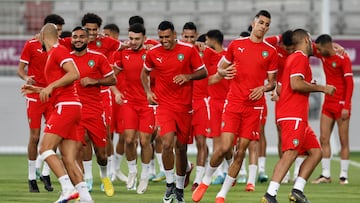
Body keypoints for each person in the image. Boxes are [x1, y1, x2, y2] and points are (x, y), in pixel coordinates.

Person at [192, 10, 278, 203]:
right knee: (224, 147)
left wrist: (264, 87)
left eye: (266, 24)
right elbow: (220, 68)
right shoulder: (236, 45)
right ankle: (205, 181)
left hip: (254, 108)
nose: (263, 27)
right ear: (253, 23)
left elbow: (273, 82)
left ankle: (222, 194)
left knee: (241, 152)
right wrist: (224, 72)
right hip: (234, 103)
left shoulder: (270, 52)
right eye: (261, 22)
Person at [261, 29, 336, 203]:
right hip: (292, 115)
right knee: (290, 153)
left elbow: (282, 87)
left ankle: (297, 191)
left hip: (295, 115)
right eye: (312, 41)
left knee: (316, 152)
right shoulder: (300, 58)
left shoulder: (291, 59)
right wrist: (322, 88)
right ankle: (270, 195)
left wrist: (305, 86)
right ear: (307, 40)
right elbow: (296, 84)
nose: (314, 46)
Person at [21, 23, 94, 203]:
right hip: (71, 105)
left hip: (65, 106)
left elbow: (74, 73)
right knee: (69, 159)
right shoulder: (55, 53)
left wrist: (51, 86)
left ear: (41, 36)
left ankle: (67, 188)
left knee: (45, 148)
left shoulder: (58, 51)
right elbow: (61, 84)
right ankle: (86, 199)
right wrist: (39, 90)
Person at [141, 20, 207, 203]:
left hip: (185, 107)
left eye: (167, 37)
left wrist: (188, 76)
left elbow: (203, 72)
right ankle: (170, 183)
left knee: (182, 148)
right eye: (161, 37)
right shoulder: (153, 53)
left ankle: (179, 188)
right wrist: (148, 92)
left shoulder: (188, 50)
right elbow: (143, 73)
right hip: (164, 106)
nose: (163, 41)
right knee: (167, 142)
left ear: (175, 35)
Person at [17, 13, 65, 193]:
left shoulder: (61, 46)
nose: (59, 34)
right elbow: (20, 69)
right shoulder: (31, 45)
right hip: (35, 97)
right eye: (56, 30)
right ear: (45, 30)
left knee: (54, 135)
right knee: (35, 137)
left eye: (60, 31)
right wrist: (26, 77)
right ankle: (31, 177)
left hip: (53, 95)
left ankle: (45, 173)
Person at [70, 26, 116, 197]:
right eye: (75, 37)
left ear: (88, 39)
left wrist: (94, 81)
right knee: (77, 150)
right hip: (75, 112)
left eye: (82, 36)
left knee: (101, 154)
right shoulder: (66, 59)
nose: (78, 39)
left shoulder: (98, 57)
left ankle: (104, 177)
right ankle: (83, 184)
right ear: (72, 39)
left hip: (95, 111)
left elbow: (113, 79)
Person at [113, 23, 155, 194]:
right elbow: (110, 76)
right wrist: (116, 92)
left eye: (137, 39)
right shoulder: (122, 53)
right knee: (129, 140)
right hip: (129, 102)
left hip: (147, 104)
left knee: (145, 141)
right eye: (130, 38)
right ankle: (132, 171)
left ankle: (145, 176)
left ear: (144, 39)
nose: (133, 42)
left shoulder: (152, 53)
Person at [181, 22, 222, 191]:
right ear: (181, 36)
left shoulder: (204, 51)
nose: (189, 40)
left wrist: (219, 75)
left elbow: (224, 60)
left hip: (200, 102)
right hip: (181, 104)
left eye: (192, 37)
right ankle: (186, 169)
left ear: (197, 35)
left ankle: (198, 179)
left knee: (201, 140)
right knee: (179, 144)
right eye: (186, 36)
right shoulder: (176, 51)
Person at [311, 34, 353, 185]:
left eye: (320, 48)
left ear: (326, 47)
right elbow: (310, 45)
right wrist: (335, 44)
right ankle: (326, 175)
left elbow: (350, 84)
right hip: (328, 104)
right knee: (323, 138)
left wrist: (346, 106)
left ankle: (343, 176)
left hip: (341, 105)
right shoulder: (323, 53)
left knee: (343, 140)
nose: (318, 51)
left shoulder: (343, 59)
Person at [203, 29, 233, 187]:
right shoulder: (208, 57)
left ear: (213, 40)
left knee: (228, 140)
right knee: (216, 138)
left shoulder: (229, 56)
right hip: (214, 102)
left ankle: (231, 170)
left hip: (229, 102)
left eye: (207, 40)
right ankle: (220, 172)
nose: (205, 43)